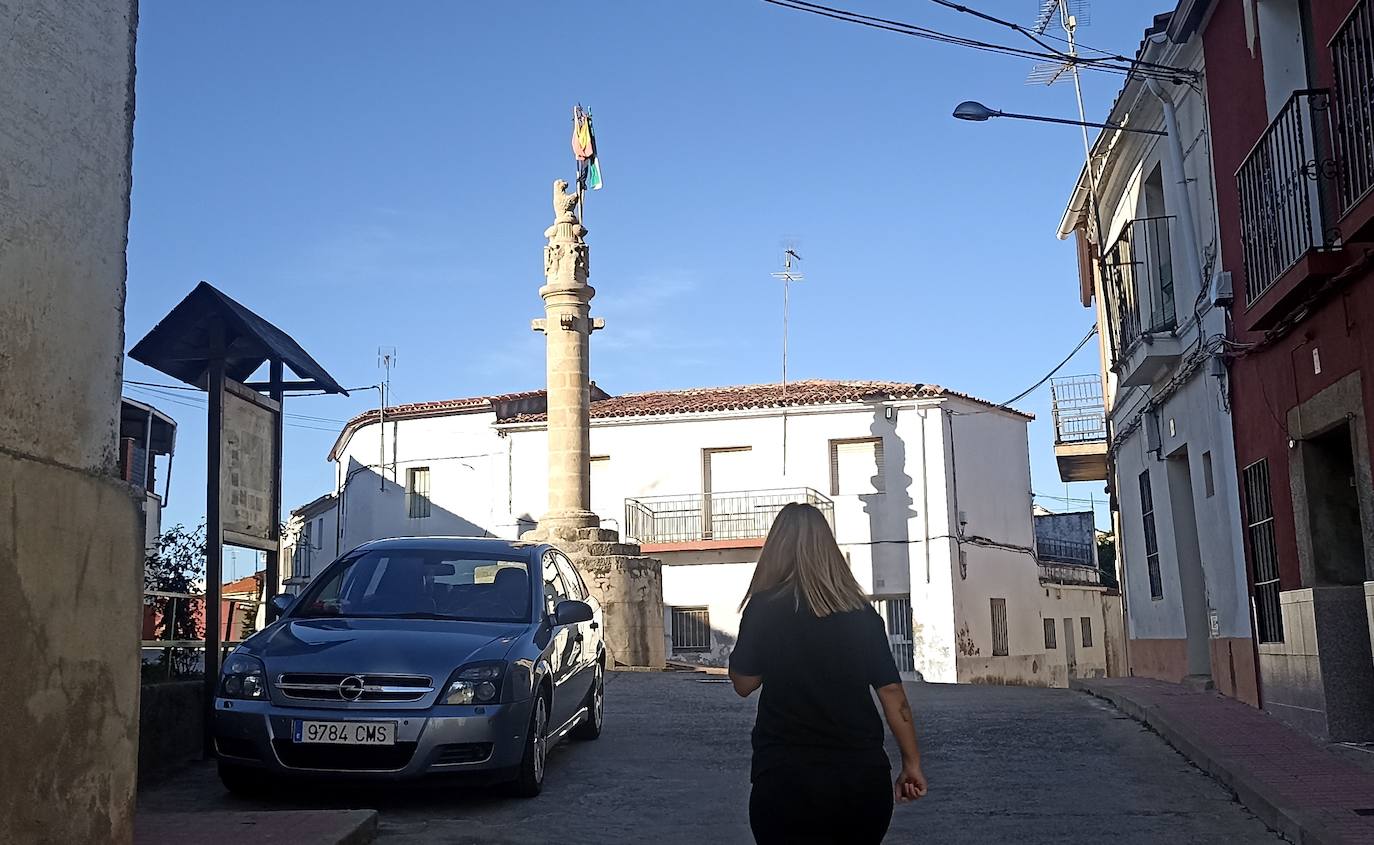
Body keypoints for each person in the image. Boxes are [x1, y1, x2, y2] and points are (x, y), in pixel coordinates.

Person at [728, 502, 928, 844]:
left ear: (776, 549)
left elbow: (744, 683)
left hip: (784, 778)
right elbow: (893, 695)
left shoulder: (764, 608)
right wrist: (912, 764)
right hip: (860, 780)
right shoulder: (861, 613)